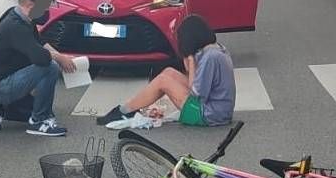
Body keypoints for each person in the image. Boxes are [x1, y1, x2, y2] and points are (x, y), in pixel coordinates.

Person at [98, 14, 235, 127]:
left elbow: (197, 93)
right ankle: (128, 108)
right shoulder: (216, 50)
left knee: (163, 81)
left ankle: (125, 110)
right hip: (219, 111)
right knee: (169, 72)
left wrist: (191, 63)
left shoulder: (210, 58)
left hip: (209, 115)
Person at [0, 0, 77, 136]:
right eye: (44, 8)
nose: (46, 13)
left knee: (33, 108)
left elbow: (39, 43)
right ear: (30, 5)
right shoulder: (15, 26)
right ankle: (39, 121)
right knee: (50, 67)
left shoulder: (20, 16)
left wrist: (62, 56)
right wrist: (59, 59)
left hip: (8, 78)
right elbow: (41, 57)